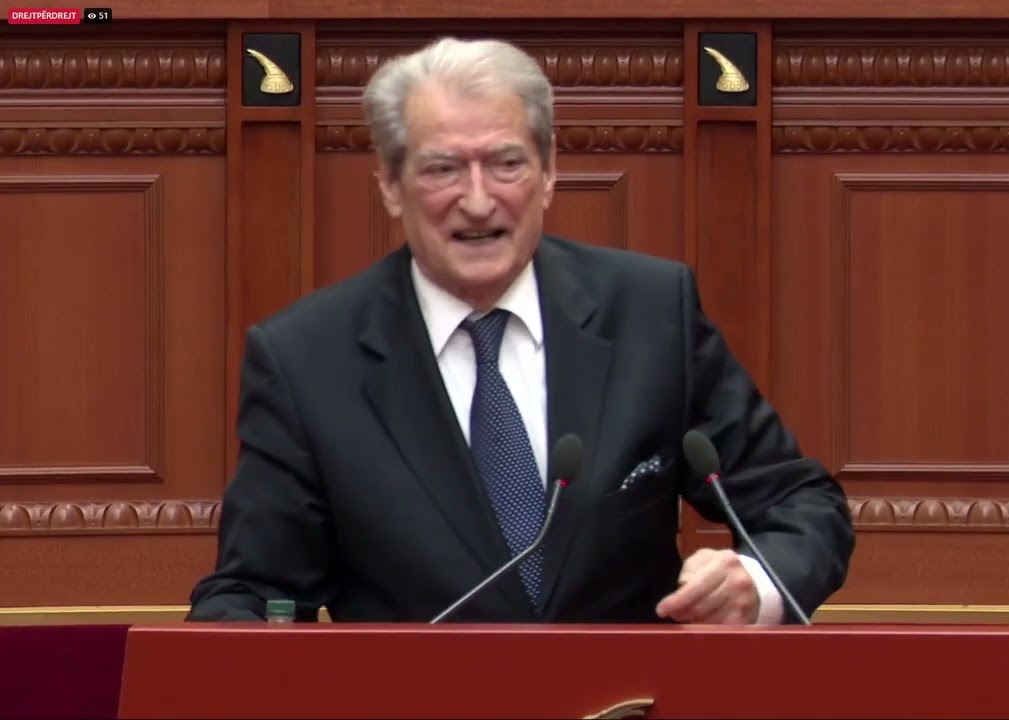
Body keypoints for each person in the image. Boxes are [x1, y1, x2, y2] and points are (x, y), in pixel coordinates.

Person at [187, 37, 853, 625]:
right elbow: (253, 590)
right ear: (390, 184)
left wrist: (755, 585)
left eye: (506, 163)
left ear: (549, 171)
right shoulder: (307, 360)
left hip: (629, 701)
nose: (479, 201)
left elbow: (800, 503)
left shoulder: (652, 313)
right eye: (443, 169)